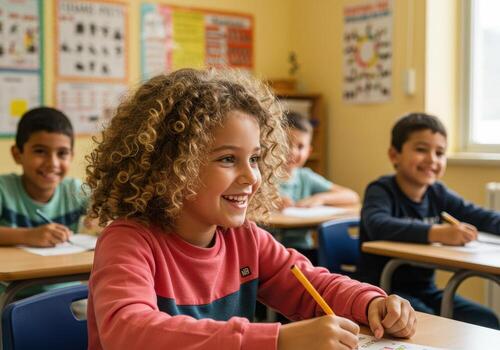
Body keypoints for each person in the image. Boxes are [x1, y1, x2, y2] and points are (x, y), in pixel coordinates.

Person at [85, 68, 416, 349]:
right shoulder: (128, 241)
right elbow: (129, 331)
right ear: (171, 167)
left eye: (255, 158)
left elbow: (312, 284)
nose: (252, 177)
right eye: (228, 159)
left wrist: (371, 302)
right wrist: (277, 340)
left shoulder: (244, 239)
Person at [358, 112, 500, 329]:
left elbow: (480, 216)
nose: (432, 159)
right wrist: (438, 233)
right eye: (421, 149)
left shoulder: (437, 193)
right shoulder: (381, 190)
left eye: (440, 152)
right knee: (429, 324)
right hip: (383, 291)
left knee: (485, 319)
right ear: (394, 155)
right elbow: (378, 225)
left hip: (427, 291)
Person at [0, 107, 89, 297]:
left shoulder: (74, 190)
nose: (53, 163)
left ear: (71, 156)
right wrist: (28, 236)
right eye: (40, 151)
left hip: (67, 294)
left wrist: (101, 218)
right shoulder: (3, 189)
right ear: (18, 154)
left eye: (62, 153)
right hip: (10, 297)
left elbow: (114, 207)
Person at [278, 111, 359, 257]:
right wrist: (270, 202)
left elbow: (352, 196)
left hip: (302, 252)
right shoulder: (261, 176)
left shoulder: (306, 177)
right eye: (286, 144)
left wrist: (319, 198)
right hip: (270, 251)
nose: (292, 151)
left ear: (309, 151)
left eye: (300, 146)